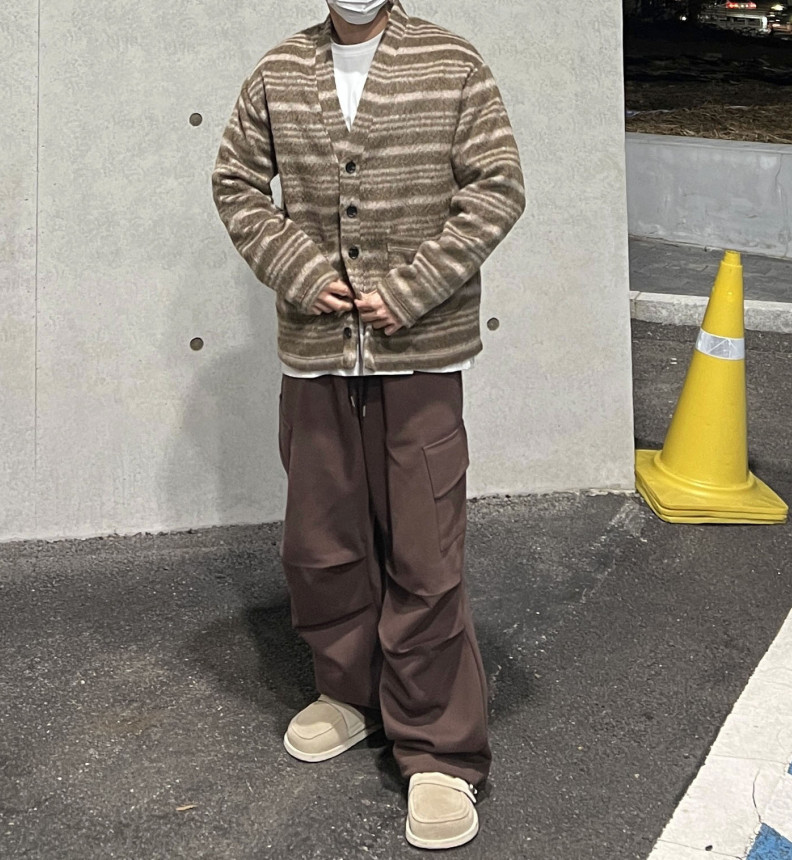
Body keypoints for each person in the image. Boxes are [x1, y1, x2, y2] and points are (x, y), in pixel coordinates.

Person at [212, 0, 525, 849]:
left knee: (425, 551)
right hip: (314, 356)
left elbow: (498, 187)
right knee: (321, 543)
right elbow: (236, 183)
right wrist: (299, 270)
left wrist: (413, 288)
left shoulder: (452, 63)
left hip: (421, 355)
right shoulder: (279, 71)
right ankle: (350, 692)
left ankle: (440, 750)